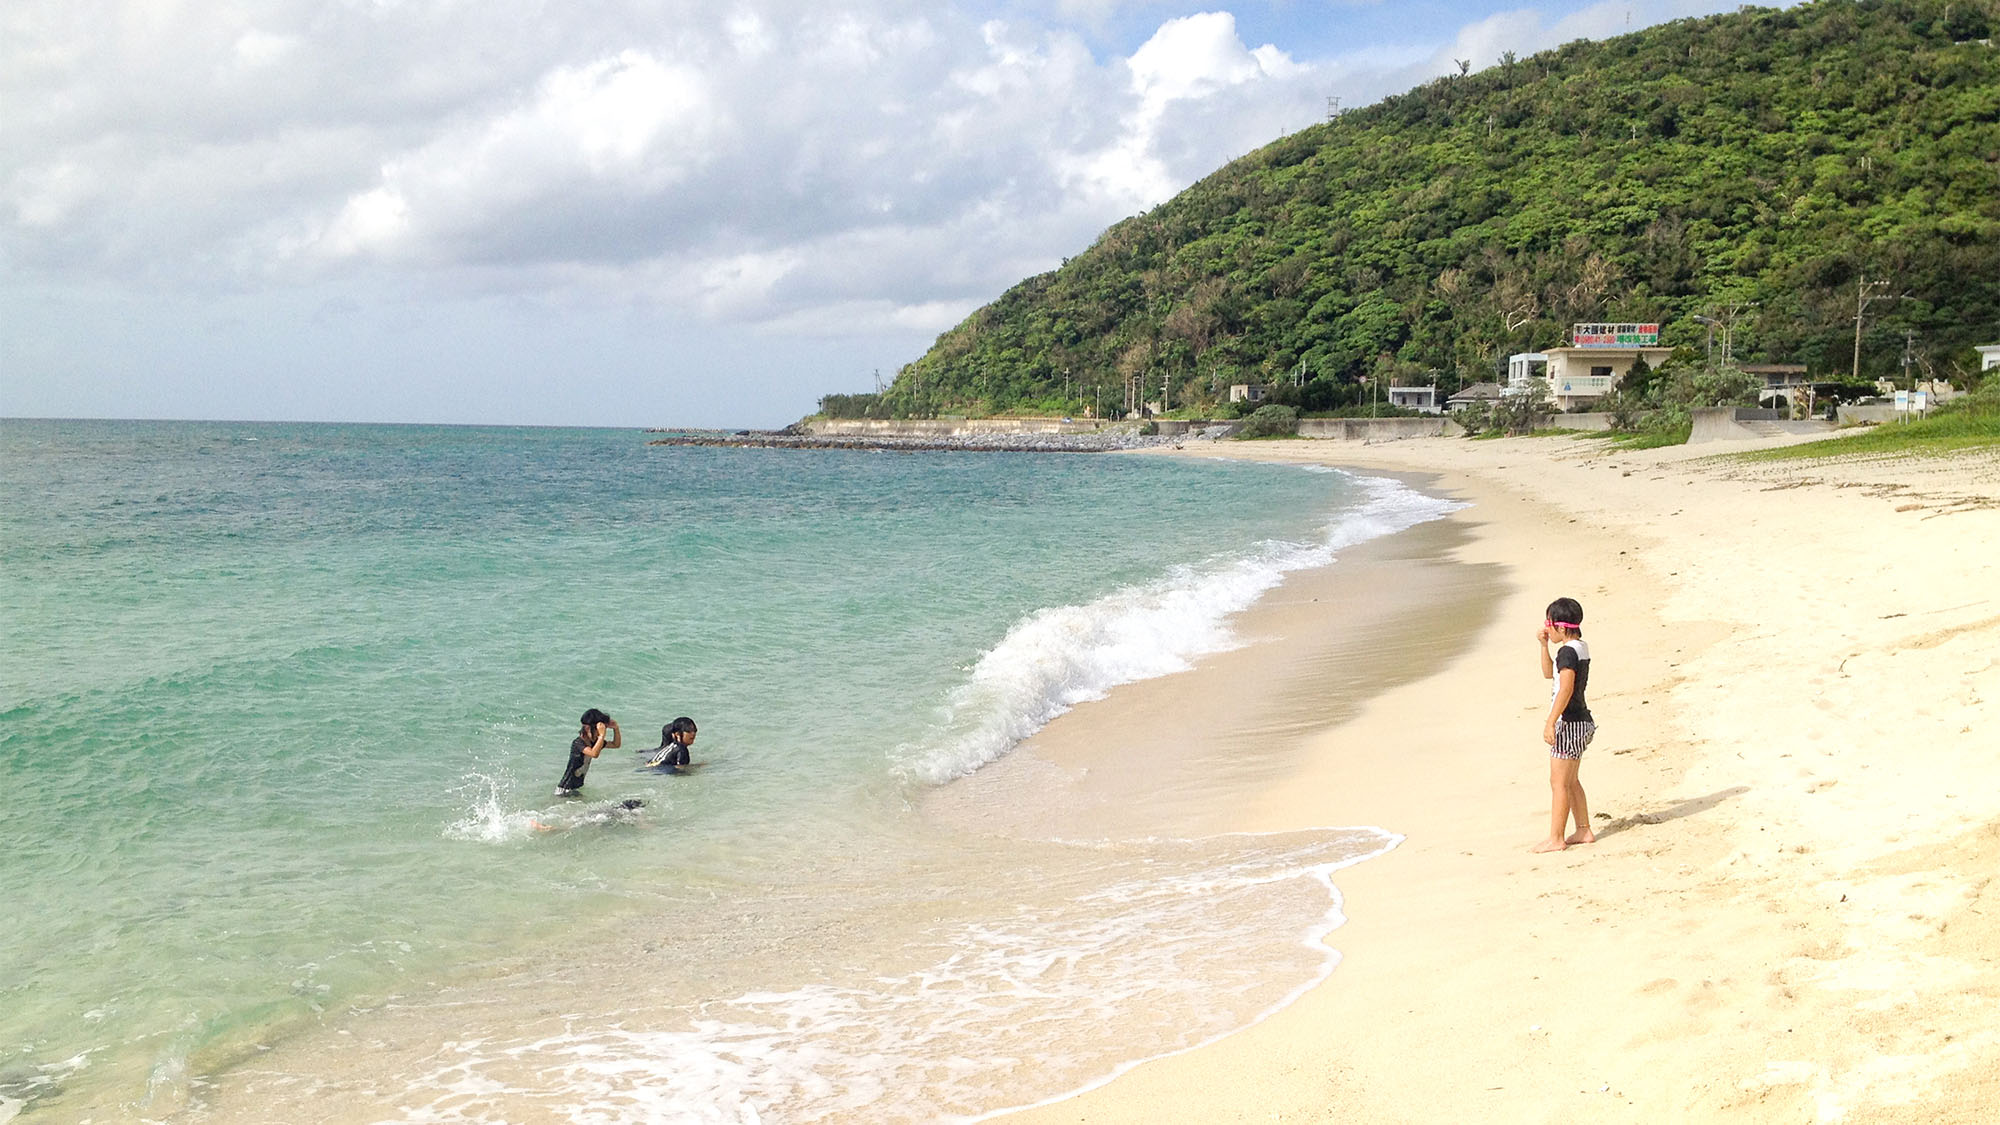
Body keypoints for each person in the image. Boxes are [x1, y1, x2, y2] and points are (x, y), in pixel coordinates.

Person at [1532, 597, 1596, 853]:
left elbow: (1566, 688)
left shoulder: (1567, 652)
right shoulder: (1580, 647)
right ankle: (1583, 829)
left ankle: (1556, 837)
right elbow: (1550, 674)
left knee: (1558, 783)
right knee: (1571, 781)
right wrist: (1543, 645)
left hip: (1569, 724)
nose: (1546, 627)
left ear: (1560, 626)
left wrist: (1550, 722)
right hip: (1581, 721)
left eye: (1548, 623)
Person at [555, 708, 621, 796]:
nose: (599, 733)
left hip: (575, 789)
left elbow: (615, 744)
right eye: (598, 730)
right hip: (564, 790)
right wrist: (601, 736)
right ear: (587, 728)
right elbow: (594, 754)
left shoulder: (593, 743)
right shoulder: (578, 743)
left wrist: (616, 728)